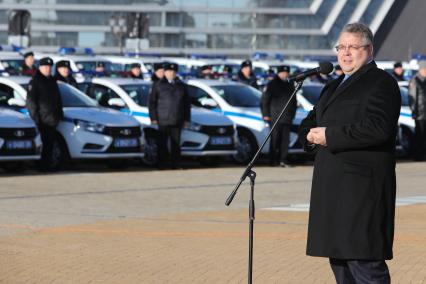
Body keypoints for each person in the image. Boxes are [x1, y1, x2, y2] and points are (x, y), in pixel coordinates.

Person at [298, 22, 401, 283]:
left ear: (369, 49)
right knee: (341, 265)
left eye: (352, 47)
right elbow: (311, 121)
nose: (345, 53)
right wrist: (310, 136)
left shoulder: (381, 83)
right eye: (341, 47)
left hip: (361, 193)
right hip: (332, 191)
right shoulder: (332, 86)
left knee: (365, 265)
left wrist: (329, 136)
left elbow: (378, 128)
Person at [148, 62, 191, 169]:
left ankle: (176, 164)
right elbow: (152, 103)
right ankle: (162, 164)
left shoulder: (182, 86)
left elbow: (186, 104)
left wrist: (186, 119)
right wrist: (153, 118)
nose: (171, 73)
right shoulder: (158, 85)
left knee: (176, 143)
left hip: (177, 119)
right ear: (165, 72)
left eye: (173, 71)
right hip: (162, 119)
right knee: (162, 143)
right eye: (168, 71)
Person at [26, 57, 64, 172]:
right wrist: (36, 119)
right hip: (42, 120)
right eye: (45, 67)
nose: (48, 69)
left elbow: (58, 99)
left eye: (49, 67)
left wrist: (59, 114)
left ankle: (47, 166)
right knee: (43, 145)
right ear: (40, 67)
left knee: (50, 145)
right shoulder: (35, 81)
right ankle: (41, 167)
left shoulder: (52, 80)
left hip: (53, 119)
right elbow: (31, 102)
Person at [261, 65, 296, 167]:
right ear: (278, 73)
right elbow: (265, 100)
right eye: (283, 73)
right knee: (275, 139)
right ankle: (273, 160)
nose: (285, 75)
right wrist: (266, 114)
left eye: (286, 73)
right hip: (275, 116)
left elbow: (294, 101)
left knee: (285, 140)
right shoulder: (272, 84)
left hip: (287, 117)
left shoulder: (290, 84)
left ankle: (283, 159)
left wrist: (292, 114)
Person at [408, 60, 426, 161]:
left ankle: (423, 154)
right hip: (420, 114)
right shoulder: (415, 80)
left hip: (425, 113)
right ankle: (418, 155)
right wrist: (414, 112)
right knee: (419, 135)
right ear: (422, 69)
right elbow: (412, 98)